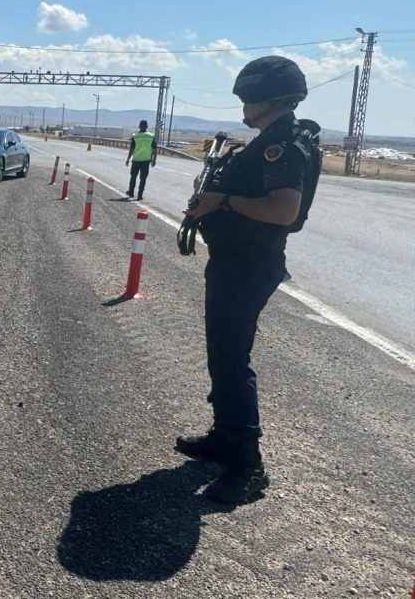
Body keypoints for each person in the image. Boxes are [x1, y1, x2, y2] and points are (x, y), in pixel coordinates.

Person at [177, 55, 312, 504]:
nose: (243, 106)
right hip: (234, 261)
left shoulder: (282, 147)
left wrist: (223, 202)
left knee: (232, 359)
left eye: (248, 98)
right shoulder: (267, 141)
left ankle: (249, 465)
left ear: (268, 98)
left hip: (250, 265)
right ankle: (225, 435)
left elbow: (284, 210)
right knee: (222, 353)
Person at [124, 120, 156, 200]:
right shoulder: (151, 136)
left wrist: (128, 159)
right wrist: (154, 160)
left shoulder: (135, 136)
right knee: (143, 178)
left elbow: (132, 149)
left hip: (136, 160)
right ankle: (140, 195)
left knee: (133, 177)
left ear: (139, 126)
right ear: (147, 126)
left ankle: (131, 192)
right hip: (146, 161)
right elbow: (155, 149)